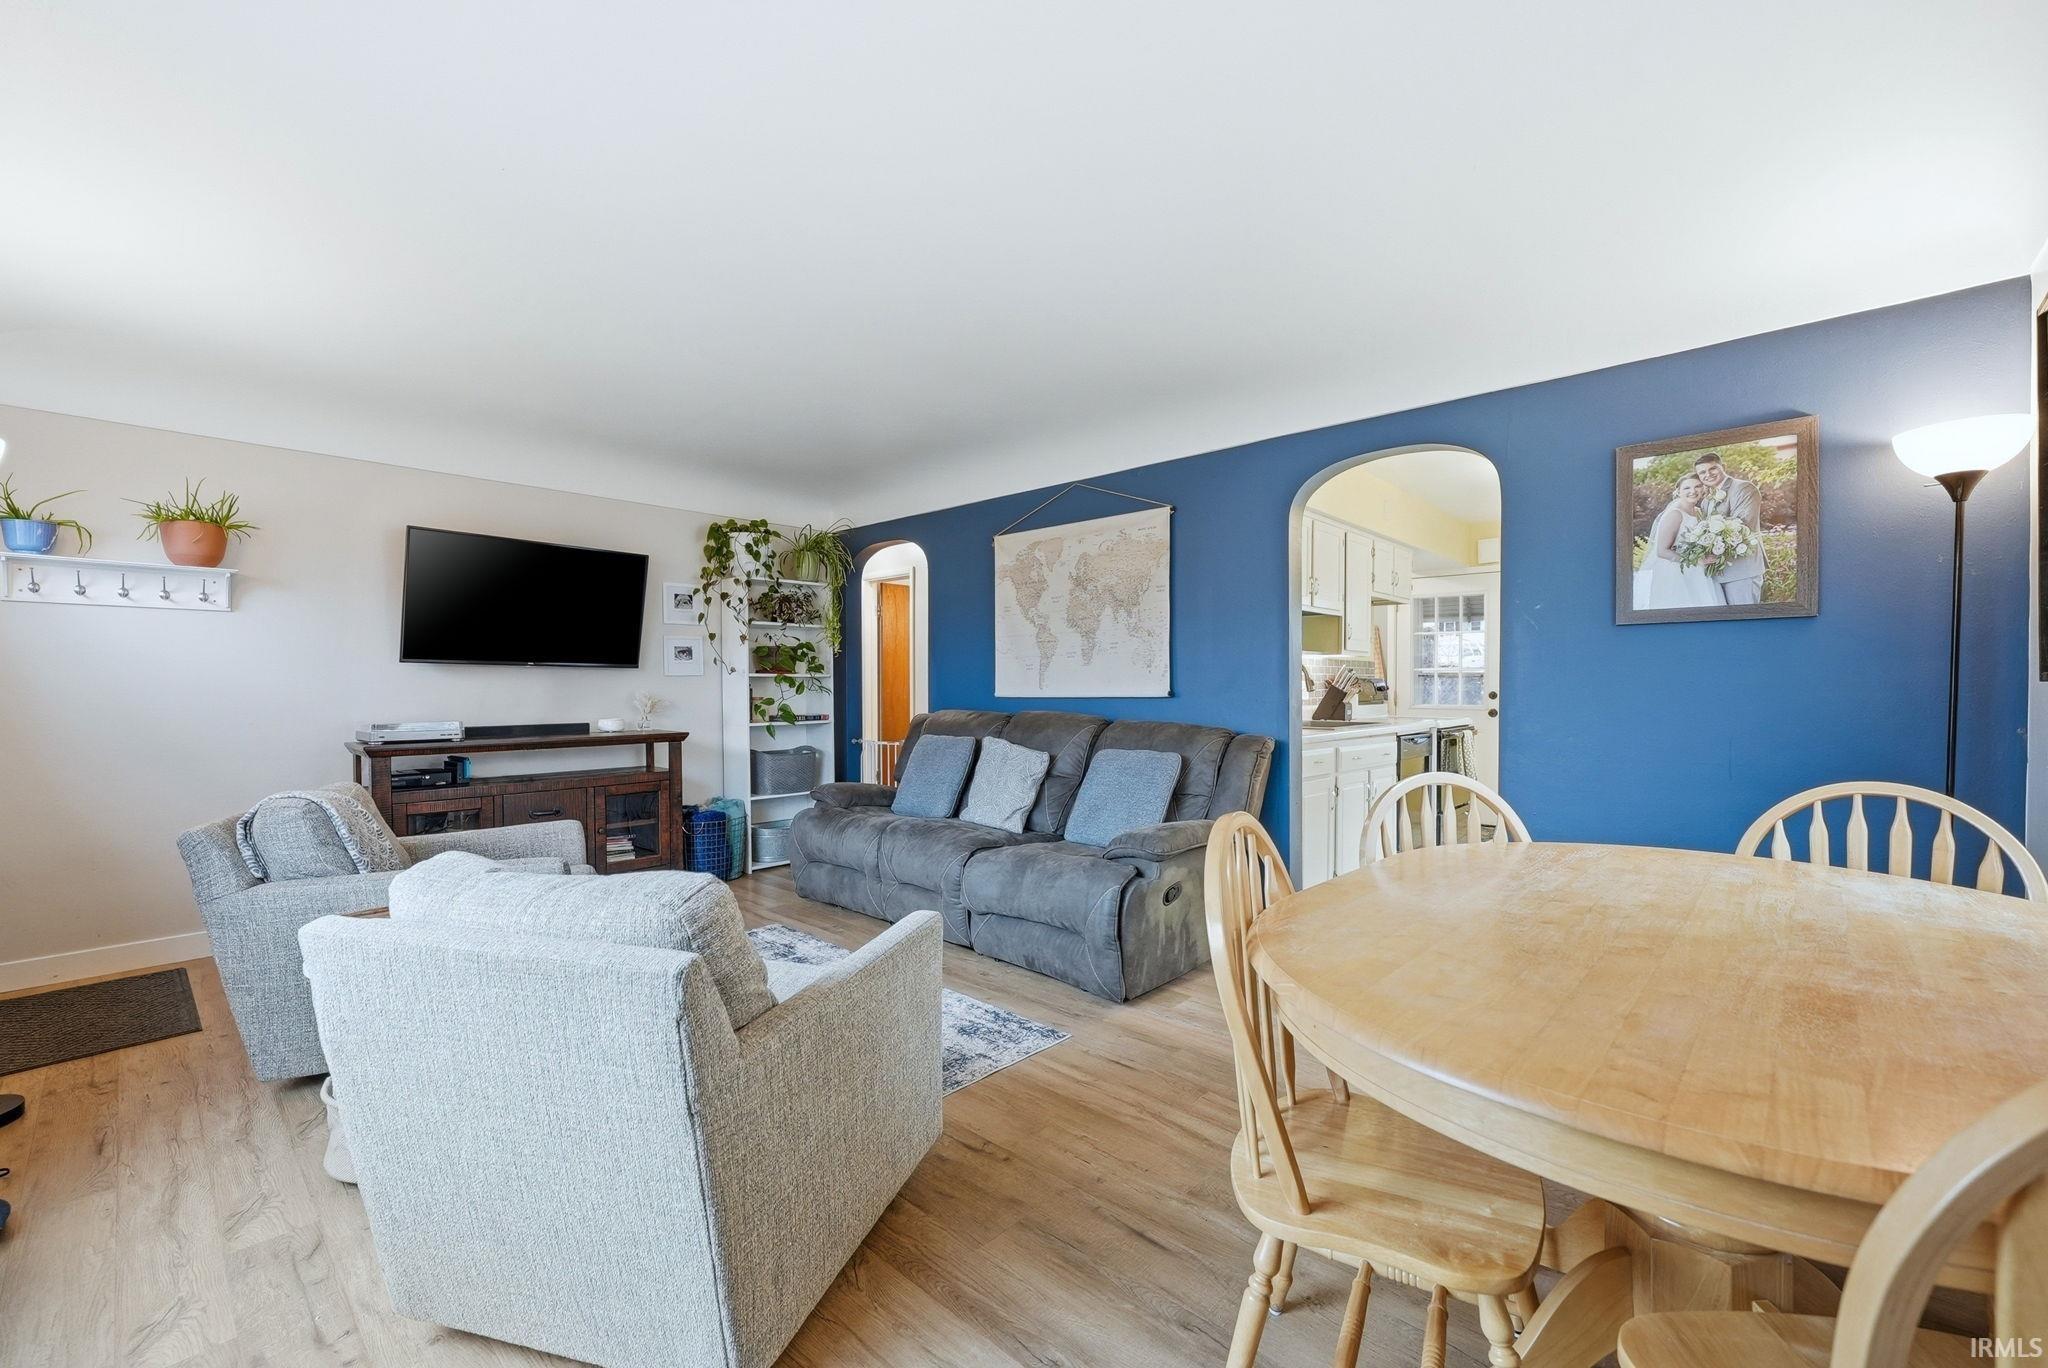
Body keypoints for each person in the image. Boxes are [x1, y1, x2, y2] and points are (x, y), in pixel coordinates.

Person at [1633, 474, 1722, 610]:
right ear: (1678, 492)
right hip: (1676, 573)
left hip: (1699, 571)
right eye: (1687, 488)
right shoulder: (1675, 514)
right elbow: (1662, 551)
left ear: (1703, 489)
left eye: (1697, 486)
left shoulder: (1699, 512)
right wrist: (1696, 560)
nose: (1693, 491)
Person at [1693, 451, 1763, 604]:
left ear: (1723, 467)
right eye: (1702, 472)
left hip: (1742, 570)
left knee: (1745, 622)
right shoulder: (1706, 500)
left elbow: (1742, 525)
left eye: (1712, 469)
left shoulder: (1744, 488)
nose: (1708, 474)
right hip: (1717, 572)